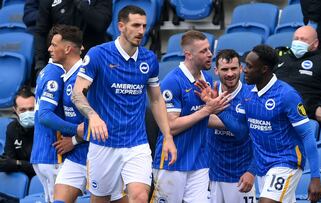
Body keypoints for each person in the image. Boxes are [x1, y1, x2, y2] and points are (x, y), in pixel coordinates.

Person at [71, 5, 177, 203]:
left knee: (139, 196)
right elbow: (77, 93)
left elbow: (155, 99)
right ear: (121, 26)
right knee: (100, 200)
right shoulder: (98, 54)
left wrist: (168, 136)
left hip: (136, 144)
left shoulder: (149, 59)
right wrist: (93, 116)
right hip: (103, 144)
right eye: (136, 25)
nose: (141, 31)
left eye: (144, 26)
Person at [198, 45, 321, 203]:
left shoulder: (286, 95)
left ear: (264, 69)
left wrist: (315, 177)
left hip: (286, 161)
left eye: (249, 67)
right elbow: (241, 132)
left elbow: (307, 134)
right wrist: (218, 109)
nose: (244, 71)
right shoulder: (249, 94)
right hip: (263, 165)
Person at [151, 30, 229, 203]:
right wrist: (207, 109)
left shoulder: (206, 80)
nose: (210, 54)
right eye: (203, 51)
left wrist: (232, 122)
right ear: (188, 55)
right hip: (172, 161)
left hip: (199, 162)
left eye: (209, 49)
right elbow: (170, 126)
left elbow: (205, 118)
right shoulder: (173, 81)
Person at [31, 25, 83, 203]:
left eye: (53, 45)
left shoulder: (47, 70)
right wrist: (77, 130)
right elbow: (45, 115)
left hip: (44, 151)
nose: (49, 49)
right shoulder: (56, 72)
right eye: (51, 45)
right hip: (54, 151)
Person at [207, 49, 256, 203]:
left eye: (234, 68)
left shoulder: (252, 96)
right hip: (211, 175)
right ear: (216, 71)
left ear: (241, 68)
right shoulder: (207, 93)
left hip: (242, 176)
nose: (230, 74)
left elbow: (247, 135)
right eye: (225, 69)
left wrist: (252, 171)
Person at [34, 0, 112, 74]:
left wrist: (81, 4)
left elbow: (101, 24)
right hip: (59, 64)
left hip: (91, 62)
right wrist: (40, 63)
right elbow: (41, 32)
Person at [0, 86, 35, 179]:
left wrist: (18, 163)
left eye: (31, 109)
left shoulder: (46, 128)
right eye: (23, 110)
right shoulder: (12, 128)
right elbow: (7, 163)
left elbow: (44, 166)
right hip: (20, 177)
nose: (27, 113)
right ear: (15, 110)